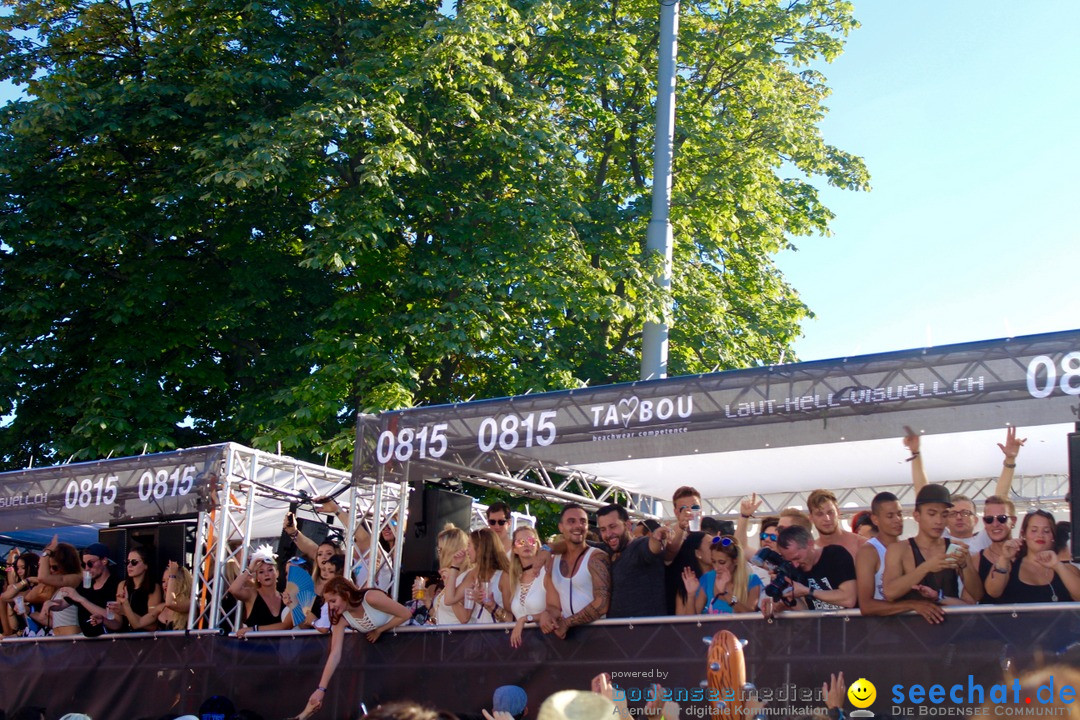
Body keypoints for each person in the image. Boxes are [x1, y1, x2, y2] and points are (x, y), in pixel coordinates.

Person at [296, 577, 411, 718]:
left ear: (346, 594)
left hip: (406, 645)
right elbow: (335, 654)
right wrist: (321, 689)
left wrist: (380, 630)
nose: (331, 606)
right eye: (328, 602)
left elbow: (406, 614)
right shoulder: (340, 618)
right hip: (384, 654)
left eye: (333, 601)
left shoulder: (371, 598)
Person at [905, 425, 1026, 556]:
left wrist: (1010, 459)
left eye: (965, 513)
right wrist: (915, 453)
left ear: (976, 520)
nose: (959, 517)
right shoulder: (941, 539)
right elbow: (924, 495)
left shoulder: (985, 539)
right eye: (952, 513)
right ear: (945, 519)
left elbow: (1001, 499)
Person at [882, 484, 979, 605]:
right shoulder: (899, 549)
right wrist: (926, 568)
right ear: (917, 516)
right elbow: (889, 593)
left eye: (944, 515)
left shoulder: (955, 548)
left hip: (951, 622)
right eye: (932, 514)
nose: (939, 521)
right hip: (913, 623)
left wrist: (965, 566)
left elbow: (977, 595)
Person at [855, 492, 943, 623]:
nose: (897, 520)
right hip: (882, 631)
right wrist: (912, 605)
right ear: (875, 520)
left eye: (900, 514)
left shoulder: (908, 547)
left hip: (914, 628)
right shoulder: (869, 551)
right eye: (890, 516)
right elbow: (866, 605)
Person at [541, 504, 610, 637]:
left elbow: (602, 604)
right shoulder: (553, 561)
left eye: (583, 521)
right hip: (568, 639)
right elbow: (553, 606)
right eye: (571, 521)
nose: (578, 526)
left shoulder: (597, 557)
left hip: (598, 636)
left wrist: (567, 623)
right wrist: (547, 615)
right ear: (561, 527)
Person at [982, 509, 1080, 603]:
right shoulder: (1009, 565)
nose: (1040, 535)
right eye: (1034, 530)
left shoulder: (1067, 568)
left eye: (1046, 531)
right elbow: (993, 592)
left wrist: (1057, 566)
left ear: (1053, 536)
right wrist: (1004, 558)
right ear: (1023, 534)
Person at [594, 503, 668, 618]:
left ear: (628, 525)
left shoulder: (639, 546)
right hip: (616, 632)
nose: (608, 534)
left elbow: (651, 547)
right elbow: (579, 544)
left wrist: (657, 538)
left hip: (647, 632)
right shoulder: (606, 549)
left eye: (613, 526)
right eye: (603, 529)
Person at [775, 526, 857, 611]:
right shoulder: (793, 569)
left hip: (849, 622)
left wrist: (808, 591)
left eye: (797, 558)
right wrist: (786, 599)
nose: (795, 565)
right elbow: (805, 612)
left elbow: (849, 599)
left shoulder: (834, 555)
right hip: (819, 623)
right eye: (790, 561)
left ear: (810, 544)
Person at [443, 528, 510, 624]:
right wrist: (455, 566)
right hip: (479, 634)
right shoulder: (473, 574)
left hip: (497, 634)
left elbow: (510, 618)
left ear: (480, 548)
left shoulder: (503, 575)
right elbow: (449, 600)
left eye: (469, 545)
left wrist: (488, 604)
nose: (467, 550)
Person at [55, 542, 120, 637]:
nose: (87, 568)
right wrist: (50, 604)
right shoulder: (86, 585)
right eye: (84, 564)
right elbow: (62, 604)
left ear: (104, 561)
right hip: (88, 641)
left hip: (110, 641)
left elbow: (115, 620)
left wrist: (81, 599)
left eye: (90, 563)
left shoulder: (115, 584)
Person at [683, 536, 762, 614]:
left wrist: (726, 594)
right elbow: (692, 621)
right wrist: (691, 595)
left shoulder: (752, 581)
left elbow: (750, 616)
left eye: (722, 562)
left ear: (736, 561)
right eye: (713, 561)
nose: (716, 568)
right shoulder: (708, 578)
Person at [500, 525, 547, 647]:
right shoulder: (514, 578)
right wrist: (491, 606)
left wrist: (525, 619)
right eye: (520, 542)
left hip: (549, 643)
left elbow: (557, 611)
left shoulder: (546, 571)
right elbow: (511, 616)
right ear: (514, 549)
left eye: (531, 541)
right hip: (523, 648)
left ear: (537, 545)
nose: (526, 544)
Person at [227, 547, 286, 633]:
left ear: (277, 573)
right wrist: (249, 569)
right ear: (257, 577)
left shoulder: (284, 597)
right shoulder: (252, 594)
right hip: (254, 645)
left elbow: (287, 625)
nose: (266, 574)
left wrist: (254, 629)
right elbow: (233, 589)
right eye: (261, 572)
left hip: (279, 646)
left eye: (270, 570)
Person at [973, 495, 1017, 603]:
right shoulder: (976, 559)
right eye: (989, 519)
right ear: (984, 523)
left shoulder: (1027, 553)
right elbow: (968, 601)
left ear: (1013, 521)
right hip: (990, 620)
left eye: (1002, 519)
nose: (995, 524)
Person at [34, 540, 82, 635]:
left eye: (54, 567)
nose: (50, 570)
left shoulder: (75, 578)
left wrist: (47, 552)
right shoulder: (57, 588)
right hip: (59, 638)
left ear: (66, 565)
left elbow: (42, 577)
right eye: (49, 567)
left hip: (74, 638)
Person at [112, 546, 163, 632]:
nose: (129, 565)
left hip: (145, 639)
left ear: (146, 565)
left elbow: (152, 626)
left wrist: (125, 611)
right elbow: (118, 622)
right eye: (127, 562)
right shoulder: (122, 585)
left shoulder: (154, 587)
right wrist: (103, 619)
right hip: (124, 638)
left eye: (134, 562)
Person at [807, 489, 866, 559]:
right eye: (819, 514)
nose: (827, 518)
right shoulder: (810, 552)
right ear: (811, 518)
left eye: (830, 512)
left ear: (838, 512)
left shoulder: (861, 544)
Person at [431, 523, 472, 625]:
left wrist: (449, 583)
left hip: (459, 637)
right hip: (443, 637)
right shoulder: (453, 576)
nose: (439, 555)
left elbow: (464, 618)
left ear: (450, 551)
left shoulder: (467, 577)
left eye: (440, 550)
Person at [665, 530, 709, 615]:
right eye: (711, 545)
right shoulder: (686, 584)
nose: (716, 548)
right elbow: (682, 621)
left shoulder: (721, 578)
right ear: (698, 553)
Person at [664, 486, 702, 562]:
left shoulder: (710, 529)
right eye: (683, 508)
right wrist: (681, 526)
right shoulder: (669, 533)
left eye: (695, 507)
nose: (690, 511)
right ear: (676, 512)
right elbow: (668, 554)